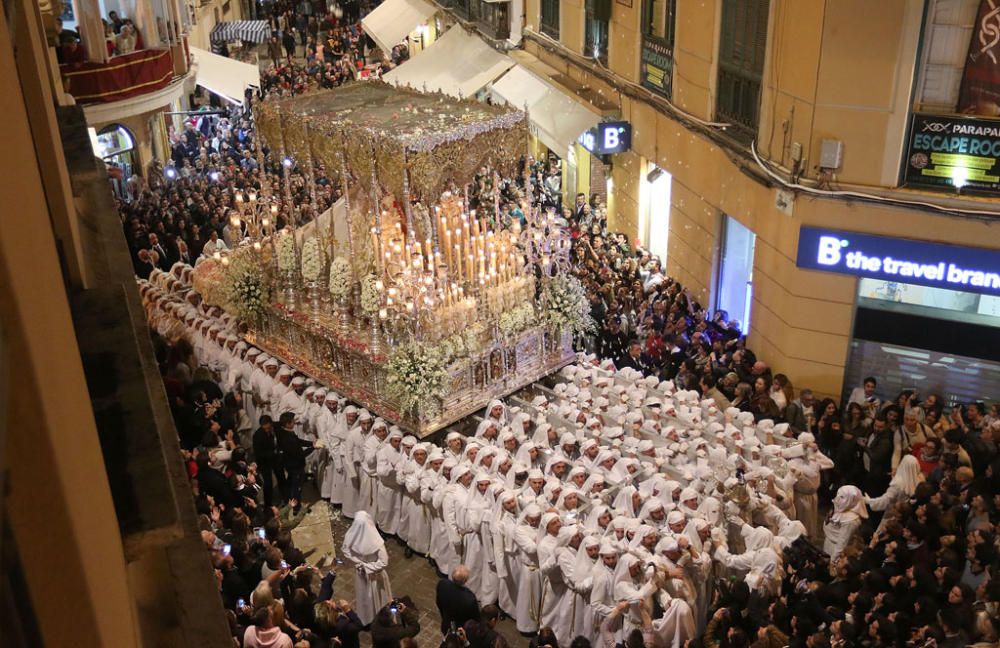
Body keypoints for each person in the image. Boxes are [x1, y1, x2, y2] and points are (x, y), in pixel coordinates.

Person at [341, 511, 392, 626]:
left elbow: (346, 550)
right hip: (370, 573)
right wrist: (363, 564)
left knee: (367, 597)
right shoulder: (377, 542)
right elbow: (384, 562)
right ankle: (373, 619)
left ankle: (370, 619)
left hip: (370, 574)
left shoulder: (352, 536)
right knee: (369, 597)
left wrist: (361, 564)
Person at [436, 565, 480, 635]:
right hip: (460, 629)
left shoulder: (442, 584)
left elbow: (438, 603)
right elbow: (475, 618)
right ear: (465, 580)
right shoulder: (469, 598)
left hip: (446, 622)